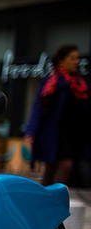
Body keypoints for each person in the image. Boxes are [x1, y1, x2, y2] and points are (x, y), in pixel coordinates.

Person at [25, 44, 90, 186]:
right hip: (54, 133)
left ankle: (46, 198)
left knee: (53, 168)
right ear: (61, 60)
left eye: (77, 58)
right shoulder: (51, 83)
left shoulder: (81, 85)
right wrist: (31, 130)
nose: (76, 62)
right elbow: (38, 107)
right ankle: (53, 198)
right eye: (72, 58)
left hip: (75, 134)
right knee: (63, 165)